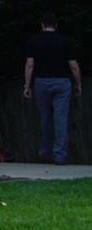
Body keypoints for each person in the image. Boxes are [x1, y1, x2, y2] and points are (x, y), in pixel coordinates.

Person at [23, 13, 82, 166]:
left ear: (42, 25)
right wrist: (78, 83)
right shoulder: (65, 41)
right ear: (56, 25)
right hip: (62, 82)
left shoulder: (34, 41)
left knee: (45, 117)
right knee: (60, 119)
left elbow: (30, 64)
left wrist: (27, 85)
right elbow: (73, 65)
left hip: (41, 82)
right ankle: (60, 155)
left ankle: (46, 152)